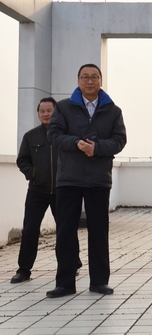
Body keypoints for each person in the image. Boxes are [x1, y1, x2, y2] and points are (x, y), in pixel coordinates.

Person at [46, 63, 127, 298]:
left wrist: (97, 148)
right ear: (78, 81)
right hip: (68, 179)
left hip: (98, 179)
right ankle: (65, 283)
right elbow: (54, 134)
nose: (89, 81)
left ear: (101, 80)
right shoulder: (64, 107)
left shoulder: (113, 111)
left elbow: (120, 140)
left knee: (99, 231)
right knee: (65, 232)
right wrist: (76, 143)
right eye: (85, 77)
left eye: (94, 77)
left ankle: (99, 282)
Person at [12, 98, 61, 283]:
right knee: (30, 230)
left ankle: (72, 265)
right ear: (38, 113)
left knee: (66, 230)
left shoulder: (64, 134)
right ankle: (24, 270)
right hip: (36, 191)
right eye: (42, 111)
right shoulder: (30, 136)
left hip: (62, 190)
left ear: (57, 112)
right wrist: (32, 174)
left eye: (50, 110)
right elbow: (22, 160)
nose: (46, 114)